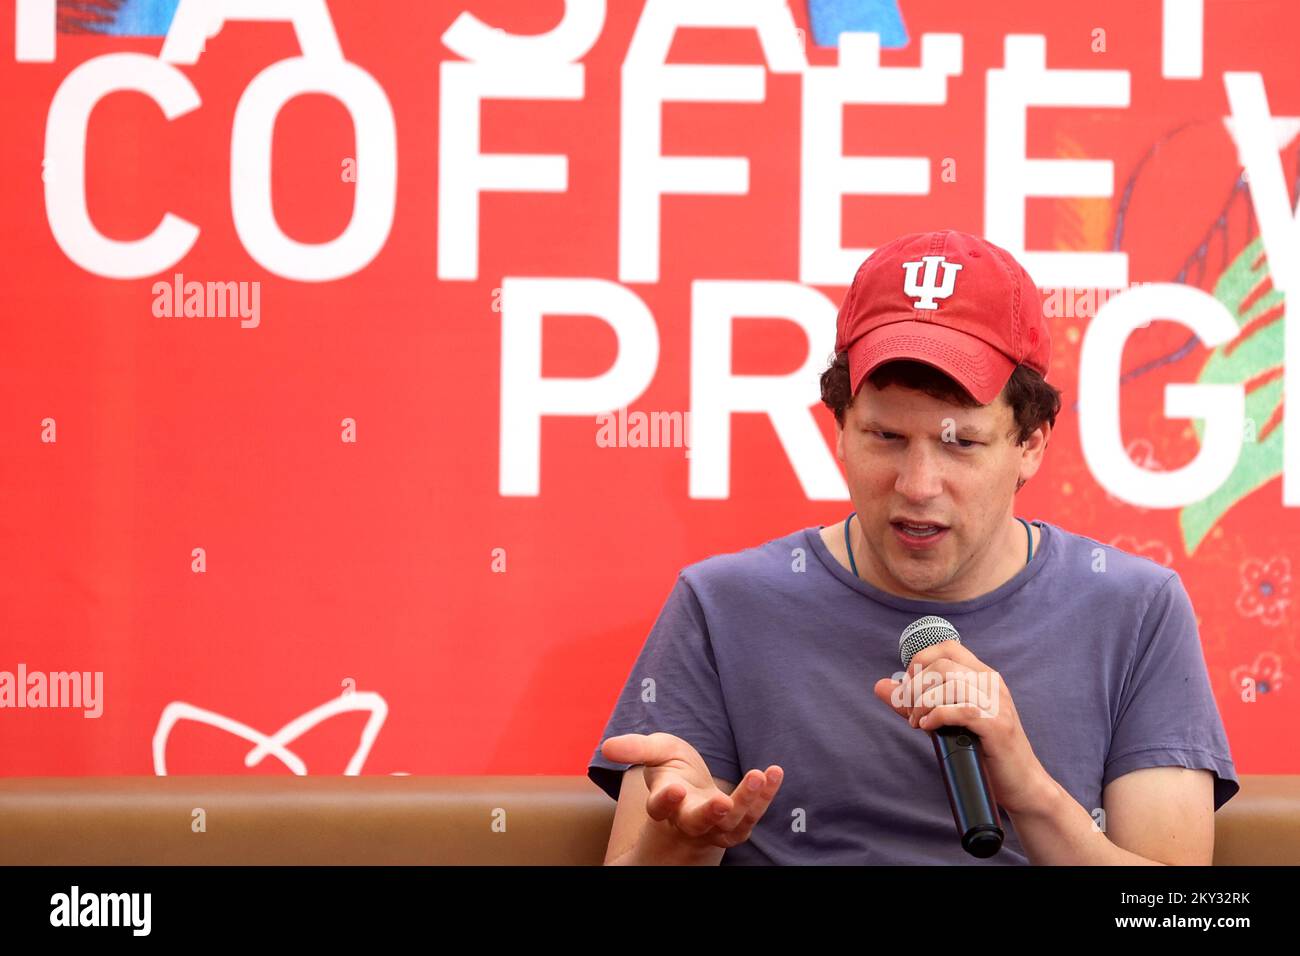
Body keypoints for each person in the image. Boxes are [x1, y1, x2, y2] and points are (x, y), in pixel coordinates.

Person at [587, 229, 1239, 865]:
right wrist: (681, 841)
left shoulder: (1135, 610)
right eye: (885, 436)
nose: (918, 486)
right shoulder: (720, 606)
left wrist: (1029, 790)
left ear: (1031, 443)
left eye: (961, 442)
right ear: (840, 429)